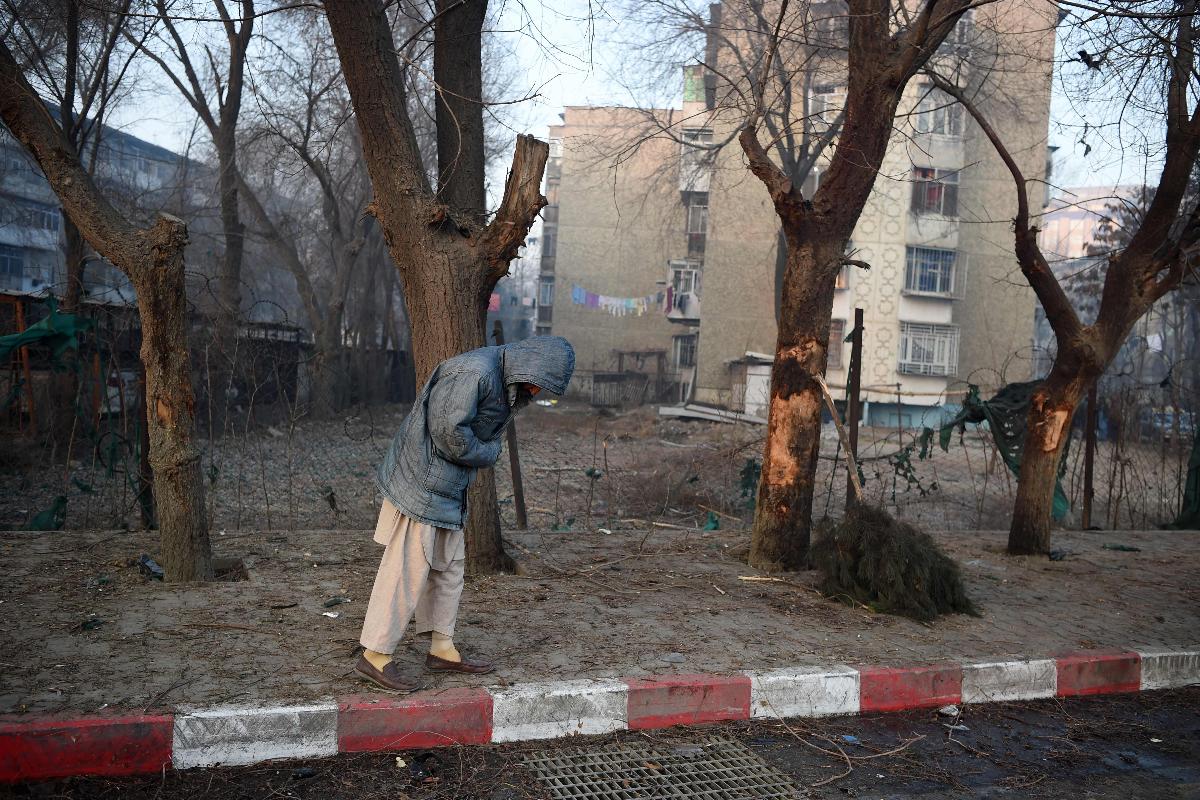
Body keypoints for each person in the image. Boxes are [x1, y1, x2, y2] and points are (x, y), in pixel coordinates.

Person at [353, 336, 575, 692]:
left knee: (449, 568)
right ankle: (375, 655)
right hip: (420, 483)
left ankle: (442, 649)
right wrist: (489, 453)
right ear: (528, 366)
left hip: (447, 487)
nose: (536, 391)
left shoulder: (504, 379)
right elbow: (448, 434)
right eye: (537, 382)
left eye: (542, 387)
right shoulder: (475, 373)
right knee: (406, 570)